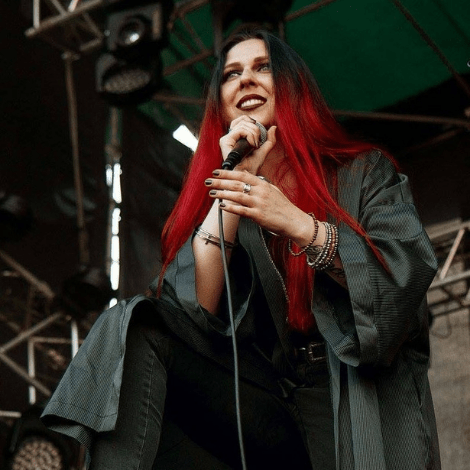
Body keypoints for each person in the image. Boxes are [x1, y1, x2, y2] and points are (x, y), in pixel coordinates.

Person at [42, 29, 441, 470]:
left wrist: (296, 222)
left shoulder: (365, 172)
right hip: (276, 408)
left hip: (355, 388)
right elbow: (192, 314)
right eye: (231, 74)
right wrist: (232, 185)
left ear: (293, 87)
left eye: (263, 67)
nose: (245, 79)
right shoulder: (232, 204)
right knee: (136, 324)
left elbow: (404, 278)